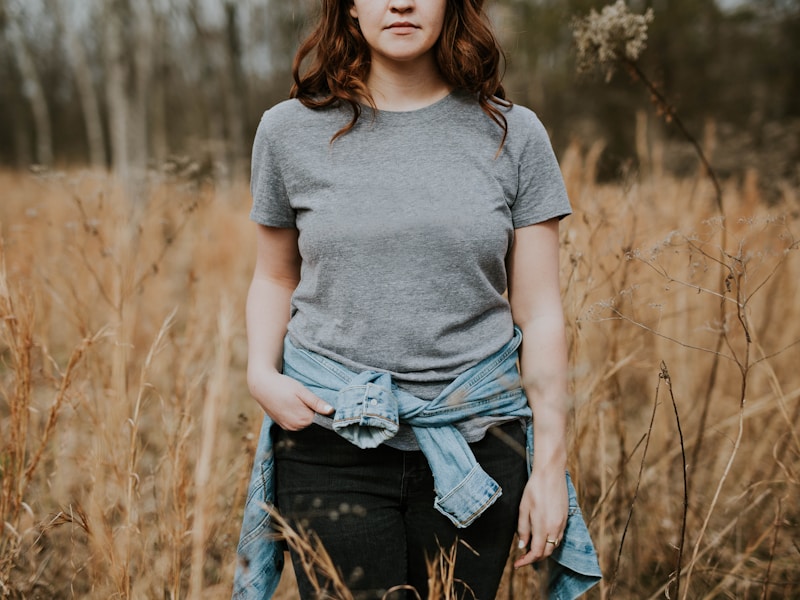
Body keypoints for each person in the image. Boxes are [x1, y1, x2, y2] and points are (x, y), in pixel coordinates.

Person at [233, 1, 601, 599]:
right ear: (350, 8)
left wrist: (549, 467)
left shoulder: (515, 132)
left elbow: (541, 314)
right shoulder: (287, 130)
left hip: (478, 441)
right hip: (330, 439)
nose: (400, 2)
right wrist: (259, 374)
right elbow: (274, 277)